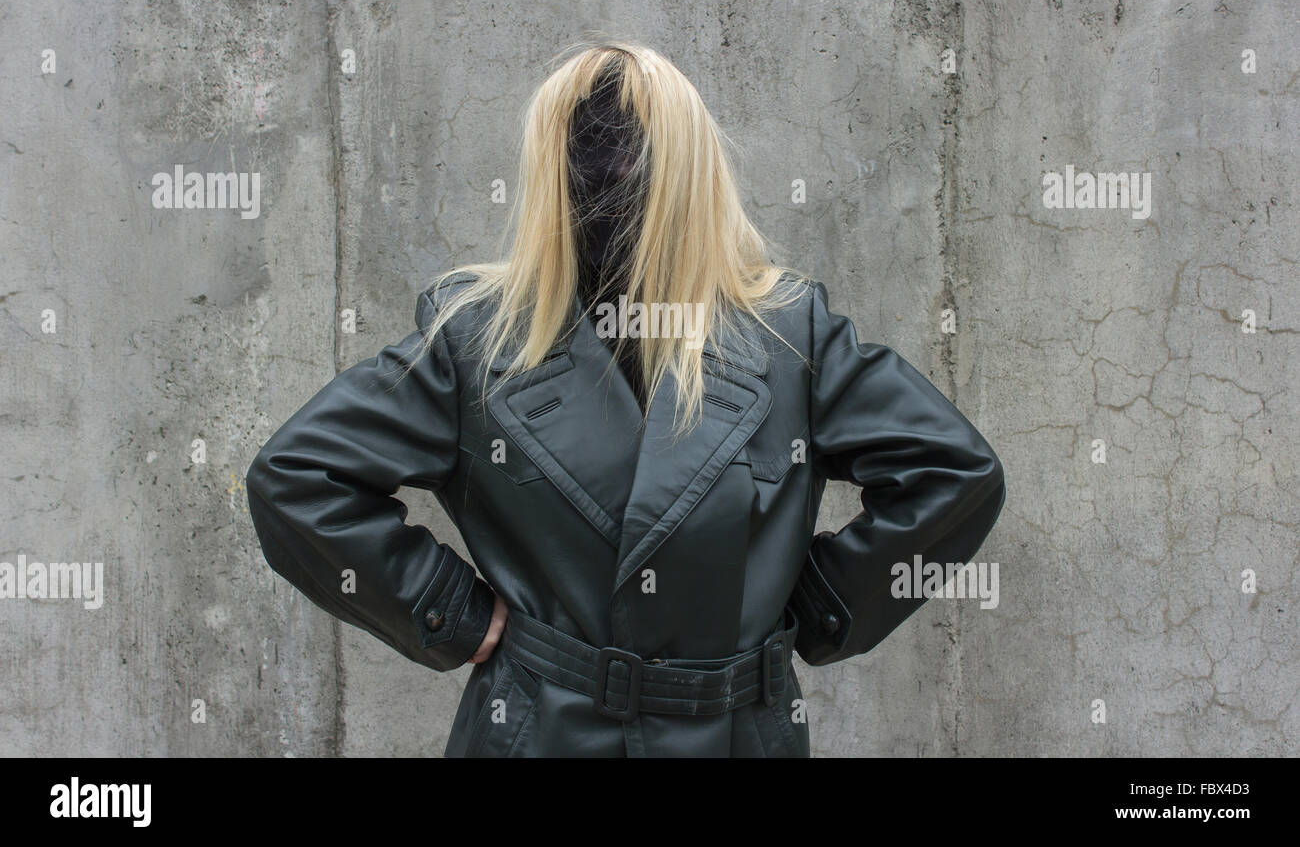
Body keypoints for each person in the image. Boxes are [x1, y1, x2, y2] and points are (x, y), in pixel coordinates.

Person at [244, 41, 1007, 757]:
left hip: (737, 732)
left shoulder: (787, 339)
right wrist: (448, 610)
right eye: (586, 150)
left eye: (628, 148)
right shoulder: (478, 341)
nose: (606, 171)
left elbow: (953, 474)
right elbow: (298, 479)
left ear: (682, 168)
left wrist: (818, 603)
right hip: (543, 731)